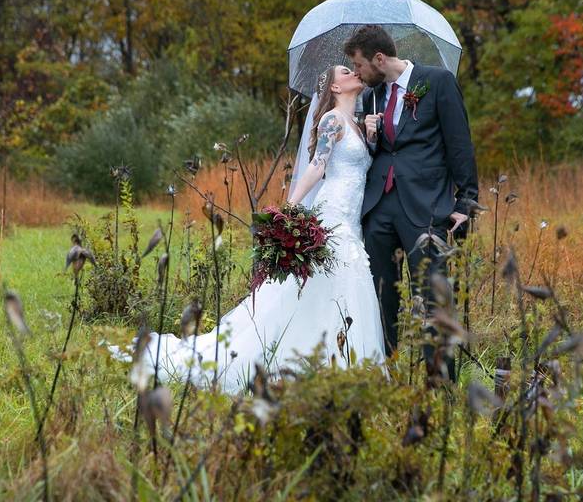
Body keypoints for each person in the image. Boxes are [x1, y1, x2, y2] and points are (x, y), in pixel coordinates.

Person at [113, 65, 385, 394]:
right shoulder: (331, 121)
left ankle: (342, 366)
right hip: (332, 216)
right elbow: (317, 167)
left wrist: (371, 136)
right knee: (322, 289)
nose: (355, 71)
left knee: (340, 291)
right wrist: (288, 208)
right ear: (336, 88)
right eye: (346, 70)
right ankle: (309, 363)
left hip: (352, 222)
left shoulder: (357, 123)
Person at [347, 24, 479, 383]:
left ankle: (440, 384)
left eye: (359, 66)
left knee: (433, 297)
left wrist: (466, 202)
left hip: (426, 207)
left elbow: (460, 145)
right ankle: (386, 375)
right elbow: (375, 152)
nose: (357, 74)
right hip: (379, 210)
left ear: (379, 58)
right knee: (379, 296)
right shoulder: (372, 98)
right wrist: (368, 132)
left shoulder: (437, 82)